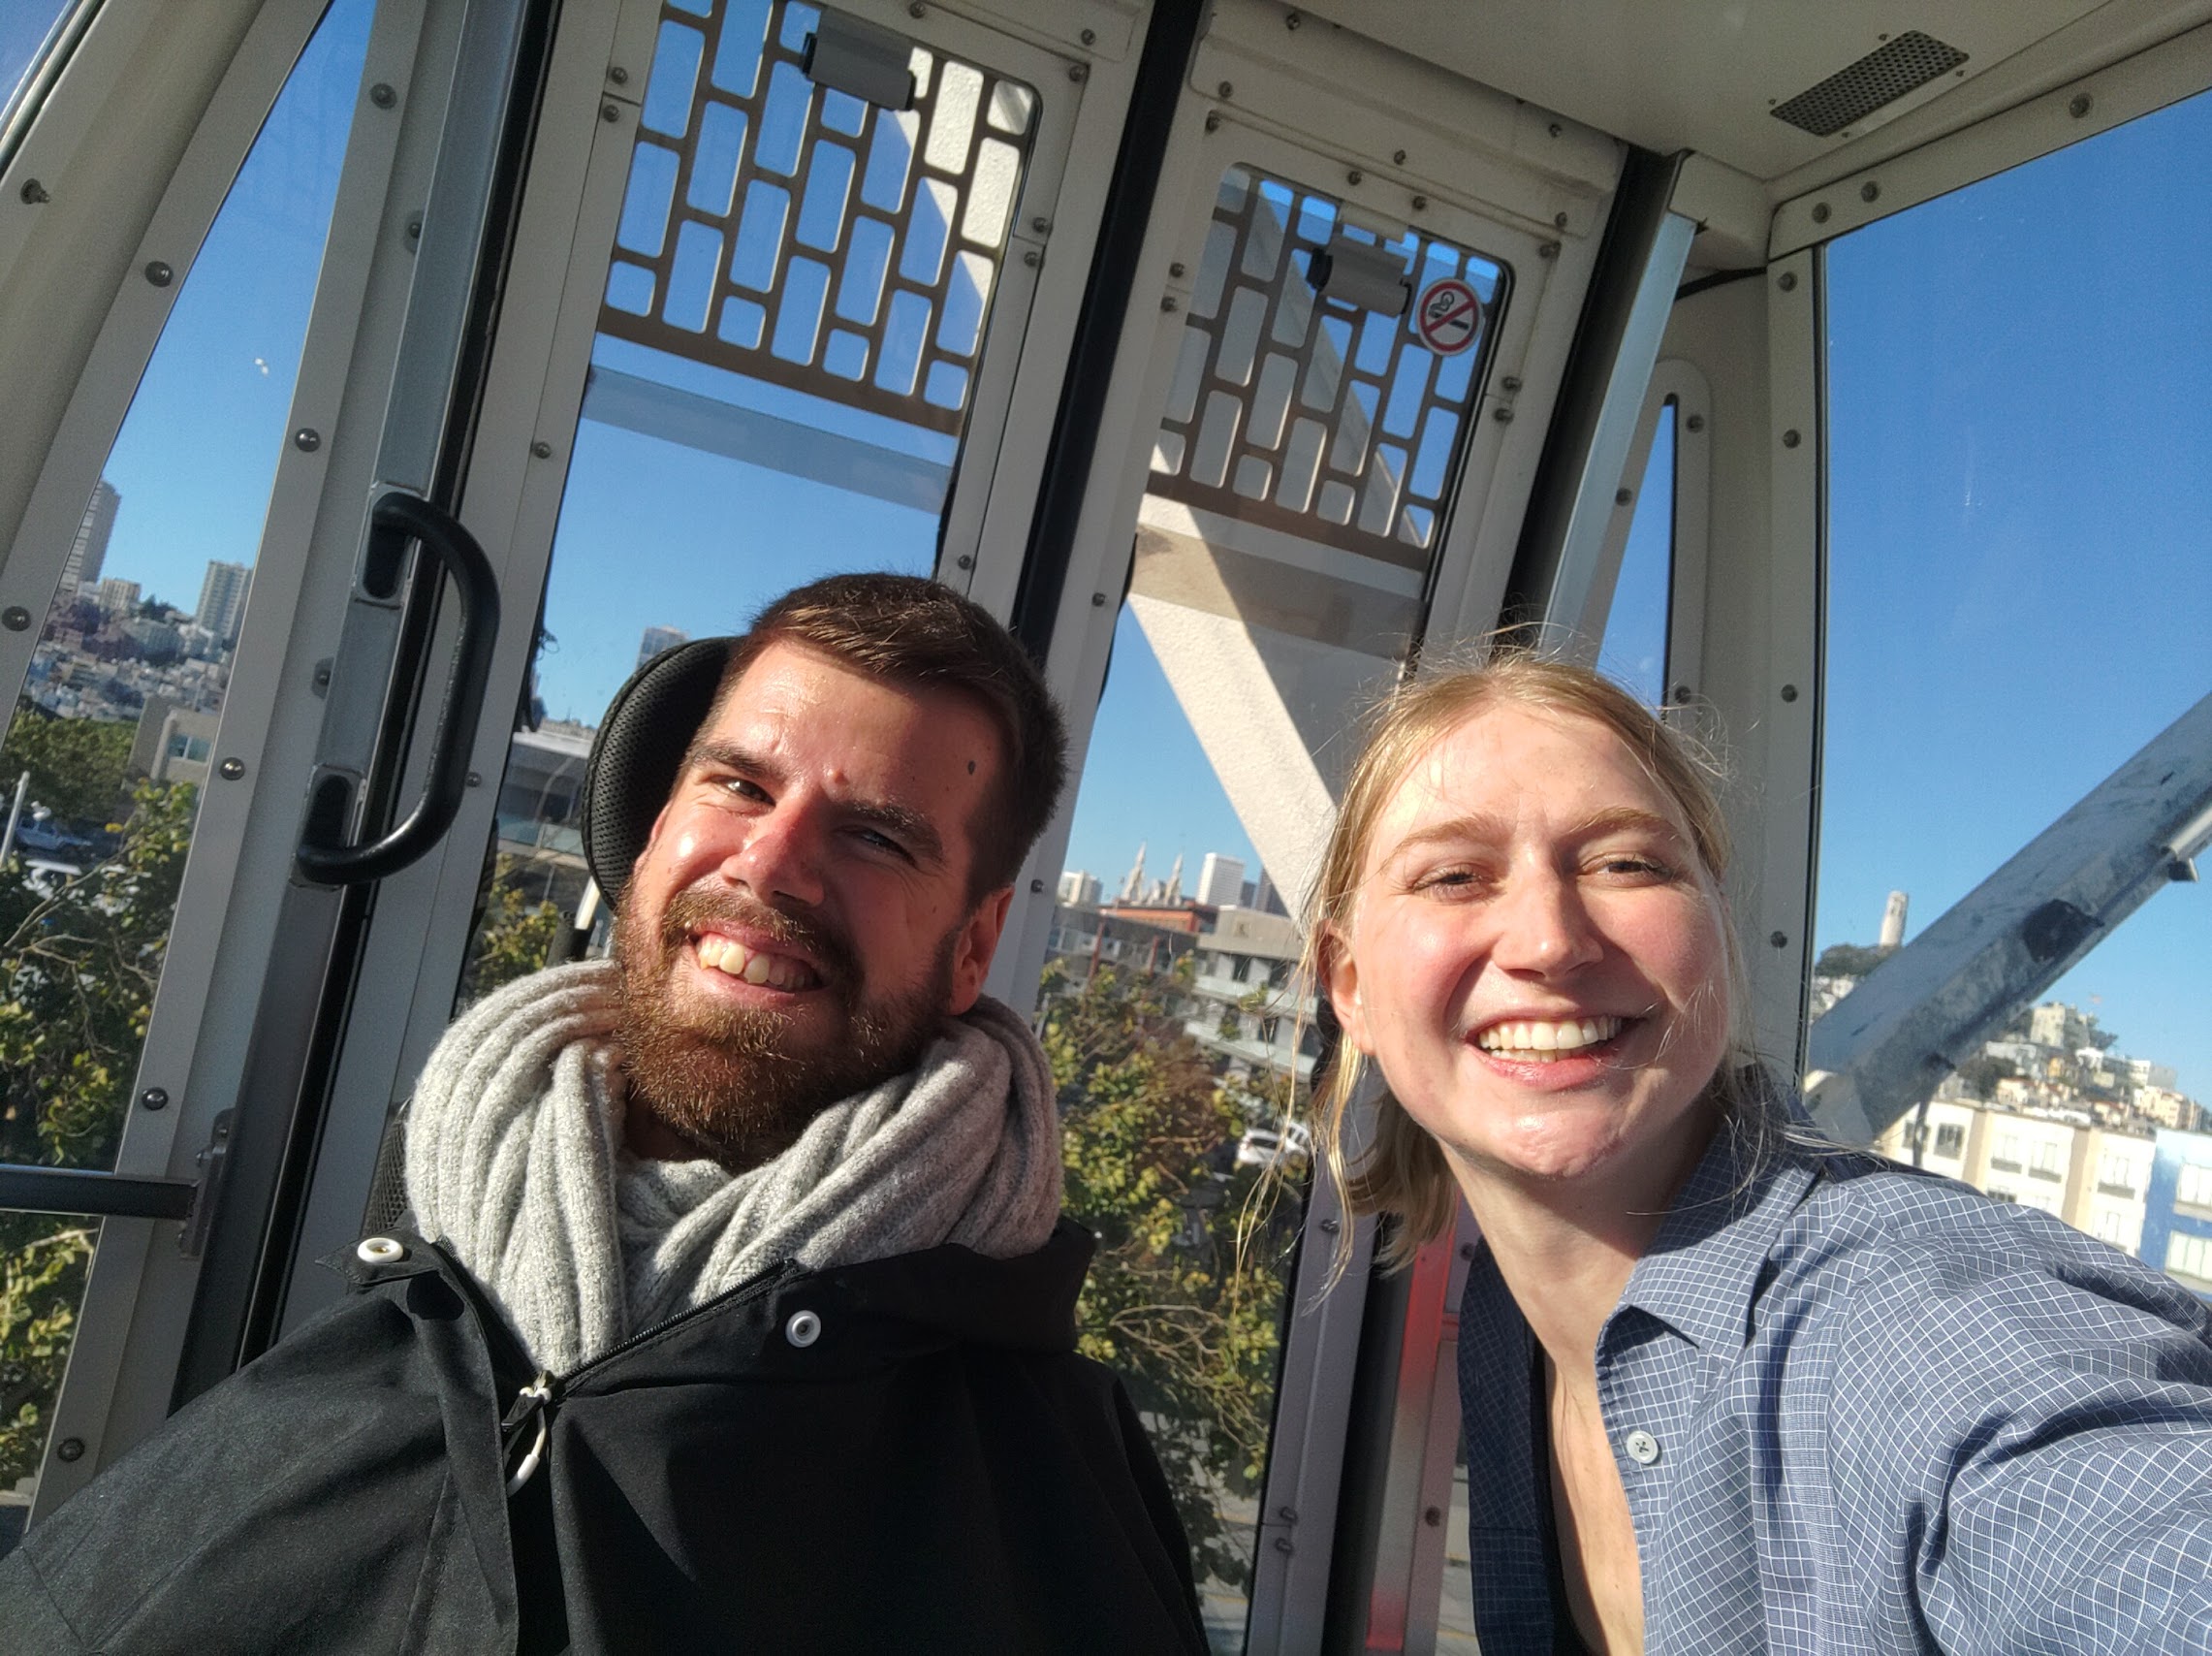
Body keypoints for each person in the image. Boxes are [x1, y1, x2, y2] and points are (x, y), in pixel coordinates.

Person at [1, 573, 1206, 1655]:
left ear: (971, 950)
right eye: (737, 782)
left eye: (876, 835)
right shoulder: (416, 1286)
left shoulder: (1044, 1484)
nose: (768, 864)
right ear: (650, 832)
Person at [1303, 653, 2212, 1654]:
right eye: (1452, 875)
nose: (1548, 941)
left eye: (1624, 863)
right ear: (1347, 986)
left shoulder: (1916, 1332)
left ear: (1714, 926)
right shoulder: (1503, 1332)